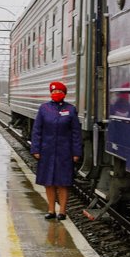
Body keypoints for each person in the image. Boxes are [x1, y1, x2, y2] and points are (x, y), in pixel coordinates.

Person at [31, 81, 82, 221]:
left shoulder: (71, 110)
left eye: (59, 92)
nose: (56, 94)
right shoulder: (44, 109)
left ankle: (63, 211)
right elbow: (37, 131)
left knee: (63, 182)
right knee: (49, 182)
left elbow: (76, 133)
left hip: (65, 152)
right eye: (53, 92)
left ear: (64, 94)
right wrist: (35, 148)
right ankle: (51, 210)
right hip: (47, 151)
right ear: (50, 94)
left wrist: (76, 152)